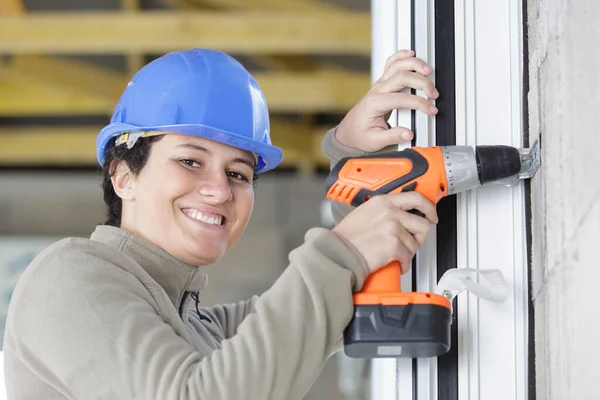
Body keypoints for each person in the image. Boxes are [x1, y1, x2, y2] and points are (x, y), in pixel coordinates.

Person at [3, 48, 439, 399]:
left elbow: (301, 317)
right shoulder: (69, 276)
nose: (220, 190)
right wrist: (341, 252)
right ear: (123, 176)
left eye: (238, 174)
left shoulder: (197, 327)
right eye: (190, 160)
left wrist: (354, 160)